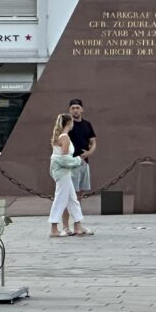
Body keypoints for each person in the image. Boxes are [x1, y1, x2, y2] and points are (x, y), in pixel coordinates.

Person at [49, 113, 91, 237]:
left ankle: (78, 226)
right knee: (60, 199)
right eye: (72, 122)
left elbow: (61, 158)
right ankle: (54, 229)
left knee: (73, 199)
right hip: (63, 173)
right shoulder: (65, 138)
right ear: (69, 123)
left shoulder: (60, 136)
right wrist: (78, 160)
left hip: (64, 172)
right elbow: (65, 159)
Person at [61, 99, 96, 236]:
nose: (75, 110)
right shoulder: (67, 125)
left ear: (82, 109)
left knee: (79, 195)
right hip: (71, 164)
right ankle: (65, 227)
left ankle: (77, 225)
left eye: (77, 107)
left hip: (84, 163)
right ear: (69, 110)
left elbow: (93, 142)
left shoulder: (87, 124)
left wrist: (89, 153)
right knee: (69, 195)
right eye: (73, 108)